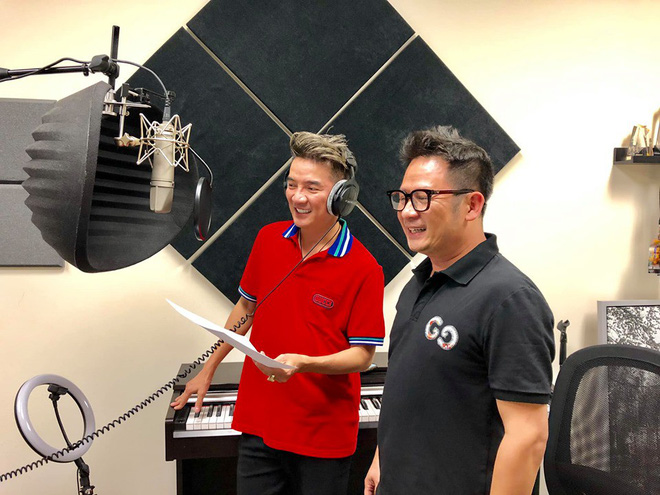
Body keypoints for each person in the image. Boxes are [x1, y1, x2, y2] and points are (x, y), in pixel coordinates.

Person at [171, 131, 385, 495]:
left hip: (322, 436)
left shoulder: (364, 268)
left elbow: (362, 356)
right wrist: (207, 369)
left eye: (312, 188)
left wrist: (304, 363)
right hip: (260, 424)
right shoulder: (268, 239)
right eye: (292, 184)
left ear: (341, 195)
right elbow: (246, 308)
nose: (297, 197)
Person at [365, 126, 554, 495]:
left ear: (472, 205)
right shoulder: (419, 282)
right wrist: (381, 458)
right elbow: (410, 392)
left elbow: (528, 436)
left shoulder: (510, 299)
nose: (407, 211)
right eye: (402, 198)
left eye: (423, 198)